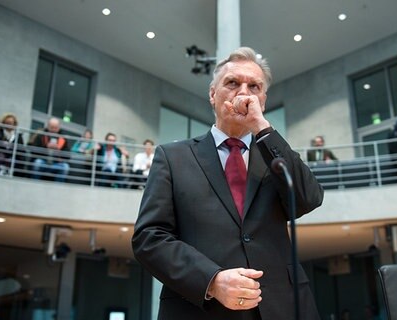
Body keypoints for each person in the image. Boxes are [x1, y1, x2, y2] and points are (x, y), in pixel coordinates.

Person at [132, 47, 324, 320]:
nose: (244, 92)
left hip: (282, 307)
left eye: (254, 86)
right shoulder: (172, 157)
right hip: (201, 309)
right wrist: (211, 280)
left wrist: (263, 128)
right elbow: (149, 238)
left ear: (263, 100)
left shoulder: (275, 155)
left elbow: (309, 198)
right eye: (233, 83)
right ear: (213, 94)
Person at [29, 117, 70, 182]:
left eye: (55, 127)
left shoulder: (63, 139)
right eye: (52, 127)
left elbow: (68, 155)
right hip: (43, 161)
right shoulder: (41, 136)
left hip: (56, 164)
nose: (53, 130)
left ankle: (58, 188)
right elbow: (33, 151)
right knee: (37, 163)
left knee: (65, 167)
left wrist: (58, 151)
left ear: (59, 128)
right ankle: (35, 184)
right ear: (48, 126)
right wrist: (46, 147)